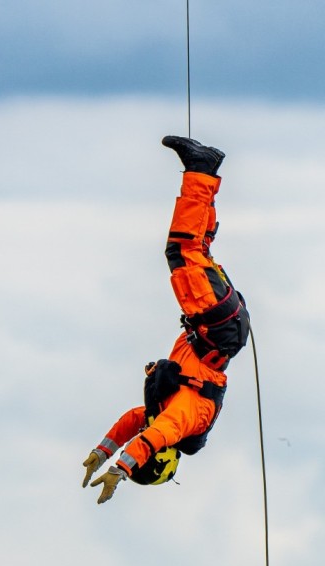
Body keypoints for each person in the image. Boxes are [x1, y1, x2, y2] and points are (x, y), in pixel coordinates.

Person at [81, 135, 251, 504]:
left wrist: (102, 452)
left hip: (215, 325)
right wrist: (121, 469)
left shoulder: (163, 417)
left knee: (197, 248)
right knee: (182, 250)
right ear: (159, 454)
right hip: (216, 327)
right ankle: (201, 169)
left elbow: (133, 420)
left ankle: (205, 172)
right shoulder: (185, 422)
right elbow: (155, 435)